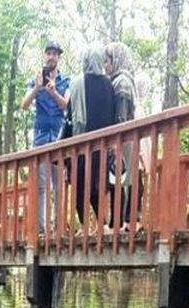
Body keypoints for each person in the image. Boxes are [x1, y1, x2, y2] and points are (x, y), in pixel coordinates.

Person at [61, 46, 116, 226]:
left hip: (81, 146)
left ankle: (88, 227)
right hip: (102, 146)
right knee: (97, 189)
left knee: (79, 189)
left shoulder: (77, 83)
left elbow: (71, 116)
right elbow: (113, 115)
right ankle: (101, 225)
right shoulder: (108, 84)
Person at [21, 42, 69, 233]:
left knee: (59, 186)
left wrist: (52, 91)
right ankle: (41, 230)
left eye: (54, 54)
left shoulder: (66, 81)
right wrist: (37, 88)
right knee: (41, 186)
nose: (51, 57)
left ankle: (58, 228)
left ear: (59, 57)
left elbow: (66, 105)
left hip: (59, 136)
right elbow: (24, 105)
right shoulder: (35, 80)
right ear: (44, 56)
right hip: (40, 137)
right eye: (48, 53)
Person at [105, 41, 139, 228]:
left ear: (116, 60)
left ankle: (124, 222)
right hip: (123, 138)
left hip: (123, 138)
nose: (105, 65)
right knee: (118, 180)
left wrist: (116, 142)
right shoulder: (118, 80)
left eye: (108, 61)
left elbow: (122, 115)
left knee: (121, 180)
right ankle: (119, 222)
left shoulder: (122, 82)